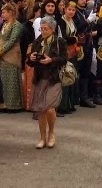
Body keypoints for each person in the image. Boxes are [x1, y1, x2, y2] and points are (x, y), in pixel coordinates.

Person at [27, 15, 67, 149]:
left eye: (46, 29)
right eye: (41, 29)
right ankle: (42, 137)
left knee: (49, 108)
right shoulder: (37, 41)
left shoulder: (59, 42)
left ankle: (52, 133)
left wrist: (51, 60)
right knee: (40, 110)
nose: (43, 31)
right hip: (39, 78)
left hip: (53, 78)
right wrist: (31, 58)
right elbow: (30, 63)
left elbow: (64, 59)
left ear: (52, 30)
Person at [0, 3, 24, 112]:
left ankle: (13, 104)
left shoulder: (16, 25)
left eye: (3, 12)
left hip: (12, 55)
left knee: (11, 79)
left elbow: (12, 40)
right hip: (1, 55)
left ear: (11, 12)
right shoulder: (5, 24)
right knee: (3, 79)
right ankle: (3, 103)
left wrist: (0, 51)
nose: (2, 14)